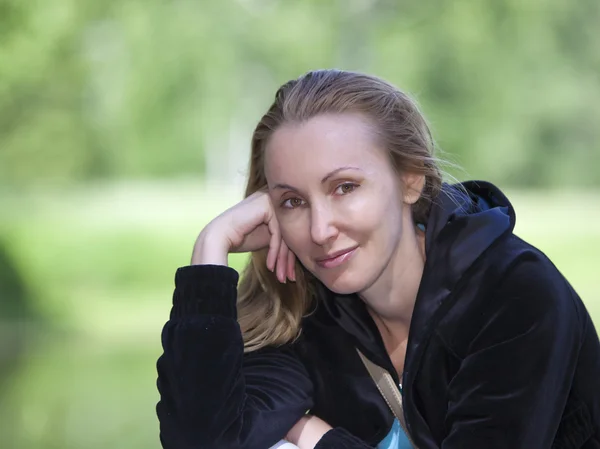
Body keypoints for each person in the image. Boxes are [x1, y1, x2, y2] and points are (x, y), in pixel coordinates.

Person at [155, 69, 600, 449]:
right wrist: (210, 250)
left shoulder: (512, 292)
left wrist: (315, 436)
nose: (320, 230)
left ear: (410, 180)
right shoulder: (304, 310)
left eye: (344, 187)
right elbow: (201, 438)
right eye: (292, 201)